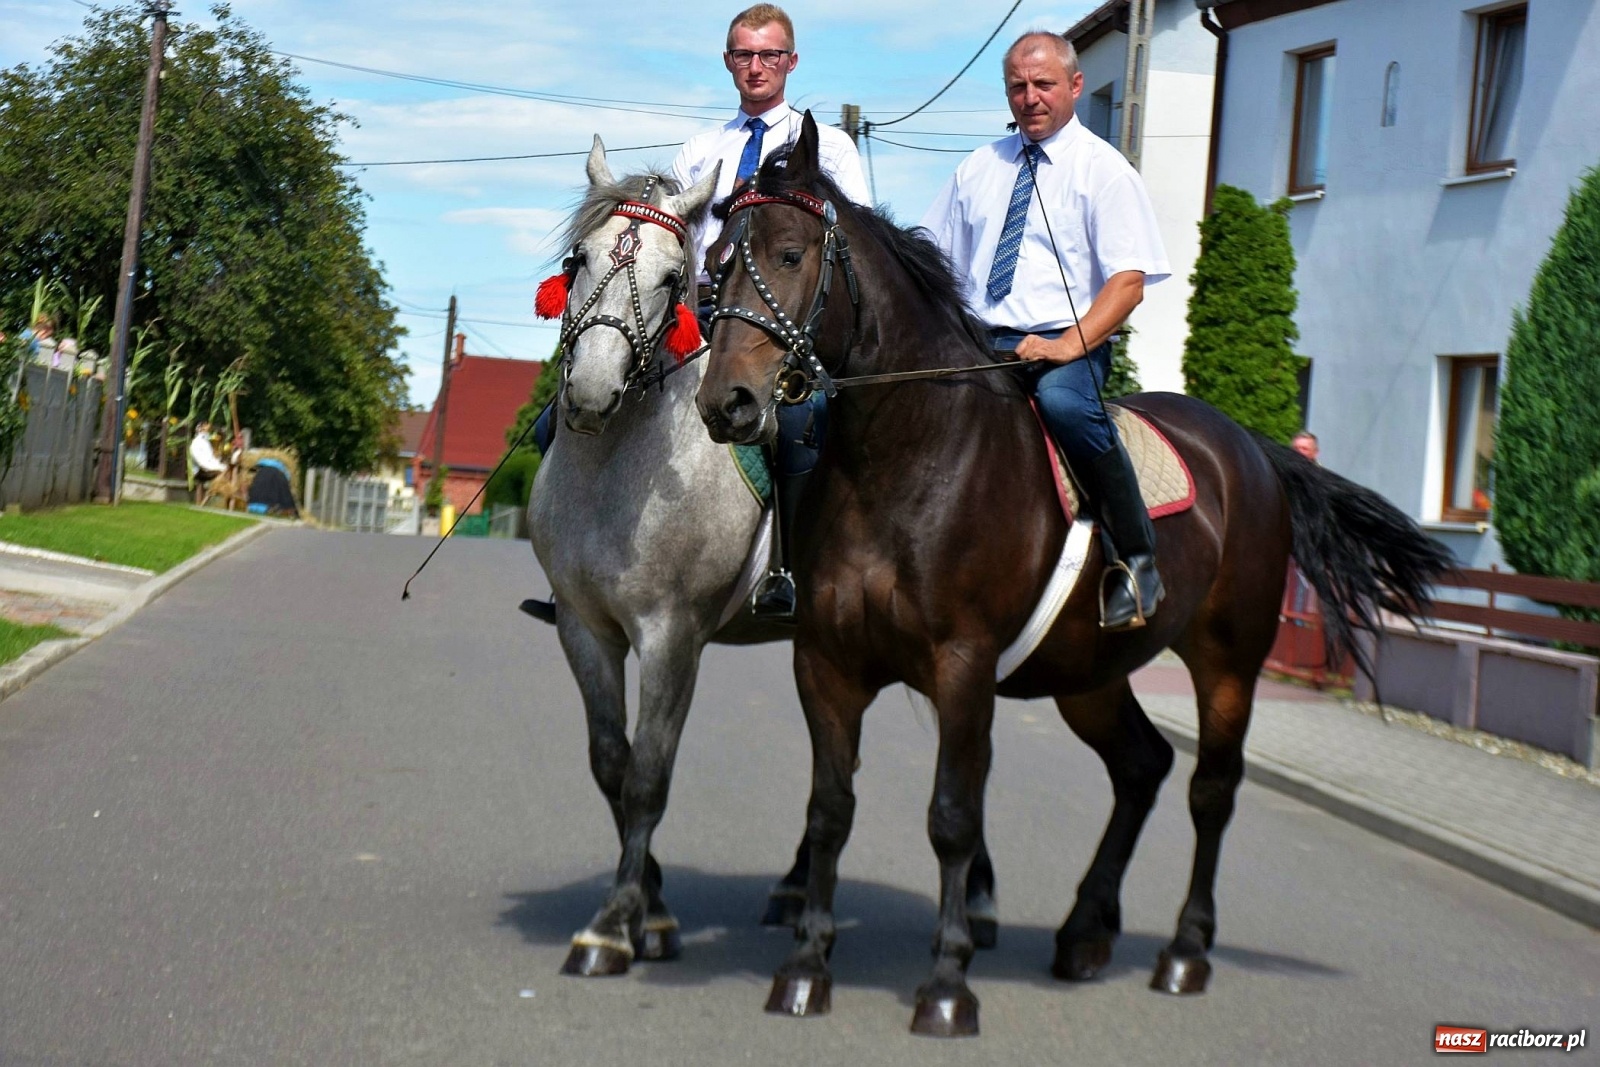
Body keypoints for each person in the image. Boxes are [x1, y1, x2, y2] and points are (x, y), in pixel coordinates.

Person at [921, 31, 1171, 631]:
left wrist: (1065, 346)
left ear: (1075, 87)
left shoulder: (1104, 171)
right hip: (983, 342)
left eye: (1044, 84)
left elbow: (1128, 283)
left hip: (1070, 344)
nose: (1030, 98)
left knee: (1065, 407)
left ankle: (1136, 560)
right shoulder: (979, 167)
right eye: (1018, 86)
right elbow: (932, 262)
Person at [672, 4, 871, 620]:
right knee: (591, 393)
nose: (755, 67)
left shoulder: (828, 149)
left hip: (786, 326)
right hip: (704, 313)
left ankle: (786, 567)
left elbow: (855, 246)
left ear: (791, 62)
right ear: (728, 61)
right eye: (743, 55)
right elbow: (679, 246)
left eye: (769, 56)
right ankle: (584, 569)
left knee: (798, 416)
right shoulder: (701, 150)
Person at [188, 420, 225, 504]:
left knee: (225, 471)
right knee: (222, 473)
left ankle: (206, 499)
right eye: (205, 426)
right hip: (199, 470)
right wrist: (216, 467)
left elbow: (210, 458)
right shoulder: (196, 443)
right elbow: (201, 461)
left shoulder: (206, 442)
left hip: (207, 467)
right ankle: (205, 500)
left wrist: (218, 460)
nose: (208, 428)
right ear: (200, 429)